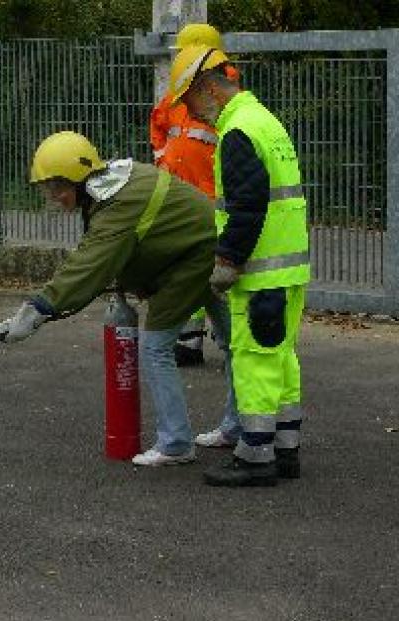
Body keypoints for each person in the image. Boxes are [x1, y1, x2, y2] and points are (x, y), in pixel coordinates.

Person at [0, 131, 239, 467]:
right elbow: (133, 243)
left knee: (157, 346)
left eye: (57, 188)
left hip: (195, 257)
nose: (54, 197)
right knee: (234, 343)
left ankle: (177, 443)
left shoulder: (116, 204)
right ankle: (238, 426)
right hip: (204, 247)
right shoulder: (113, 183)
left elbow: (90, 264)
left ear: (79, 179)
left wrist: (39, 308)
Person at [169, 45, 310, 486]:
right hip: (288, 269)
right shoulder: (265, 121)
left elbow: (247, 206)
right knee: (281, 360)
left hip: (261, 273)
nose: (191, 112)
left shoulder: (238, 132)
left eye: (189, 101)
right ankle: (285, 451)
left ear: (208, 87)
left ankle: (255, 457)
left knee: (252, 362)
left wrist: (227, 260)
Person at [149, 23, 239, 367]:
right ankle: (190, 340)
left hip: (212, 197)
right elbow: (158, 124)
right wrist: (162, 161)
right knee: (186, 266)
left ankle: (226, 336)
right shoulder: (176, 97)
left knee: (215, 265)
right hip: (181, 195)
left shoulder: (223, 98)